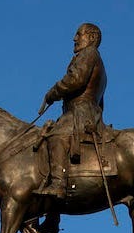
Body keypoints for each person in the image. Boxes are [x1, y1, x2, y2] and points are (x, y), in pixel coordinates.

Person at [37, 22, 109, 197]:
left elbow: (75, 79)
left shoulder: (89, 54)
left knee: (56, 136)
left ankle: (58, 185)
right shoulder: (93, 58)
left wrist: (53, 92)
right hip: (84, 111)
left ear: (91, 37)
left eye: (79, 34)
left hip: (81, 112)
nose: (74, 39)